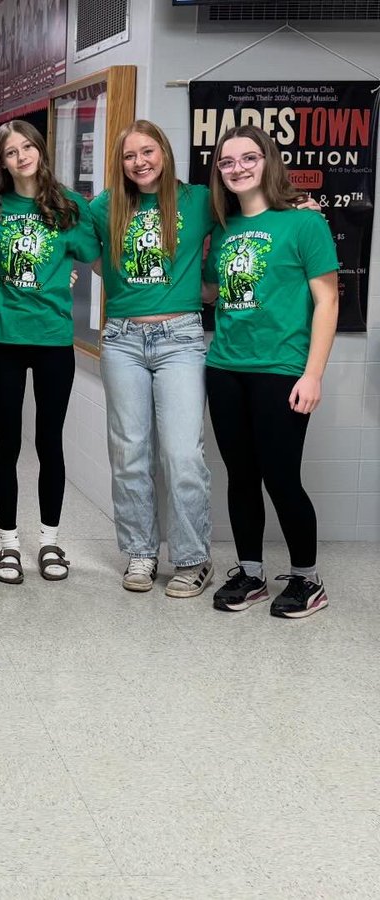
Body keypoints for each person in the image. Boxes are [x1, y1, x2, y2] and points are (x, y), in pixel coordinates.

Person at [202, 124, 338, 618]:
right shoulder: (220, 229)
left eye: (248, 158)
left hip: (282, 369)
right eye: (227, 161)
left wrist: (313, 374)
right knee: (241, 476)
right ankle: (252, 573)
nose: (237, 168)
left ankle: (307, 580)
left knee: (281, 477)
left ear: (268, 161)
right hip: (225, 366)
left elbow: (327, 300)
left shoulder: (304, 223)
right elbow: (213, 293)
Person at [88, 121, 213, 598]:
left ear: (165, 151)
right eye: (128, 156)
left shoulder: (198, 200)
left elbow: (251, 217)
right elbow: (87, 251)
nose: (139, 162)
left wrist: (299, 206)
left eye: (148, 151)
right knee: (129, 453)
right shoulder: (106, 207)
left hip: (181, 339)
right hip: (122, 340)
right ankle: (140, 552)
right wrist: (114, 278)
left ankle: (192, 559)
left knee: (182, 454)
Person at [0, 119, 99, 584]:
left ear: (41, 151)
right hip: (6, 339)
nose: (22, 156)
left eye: (28, 147)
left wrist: (66, 269)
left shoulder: (67, 206)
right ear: (1, 162)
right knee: (6, 442)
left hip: (53, 340)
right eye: (11, 152)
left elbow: (92, 251)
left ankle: (49, 540)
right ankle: (8, 544)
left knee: (49, 442)